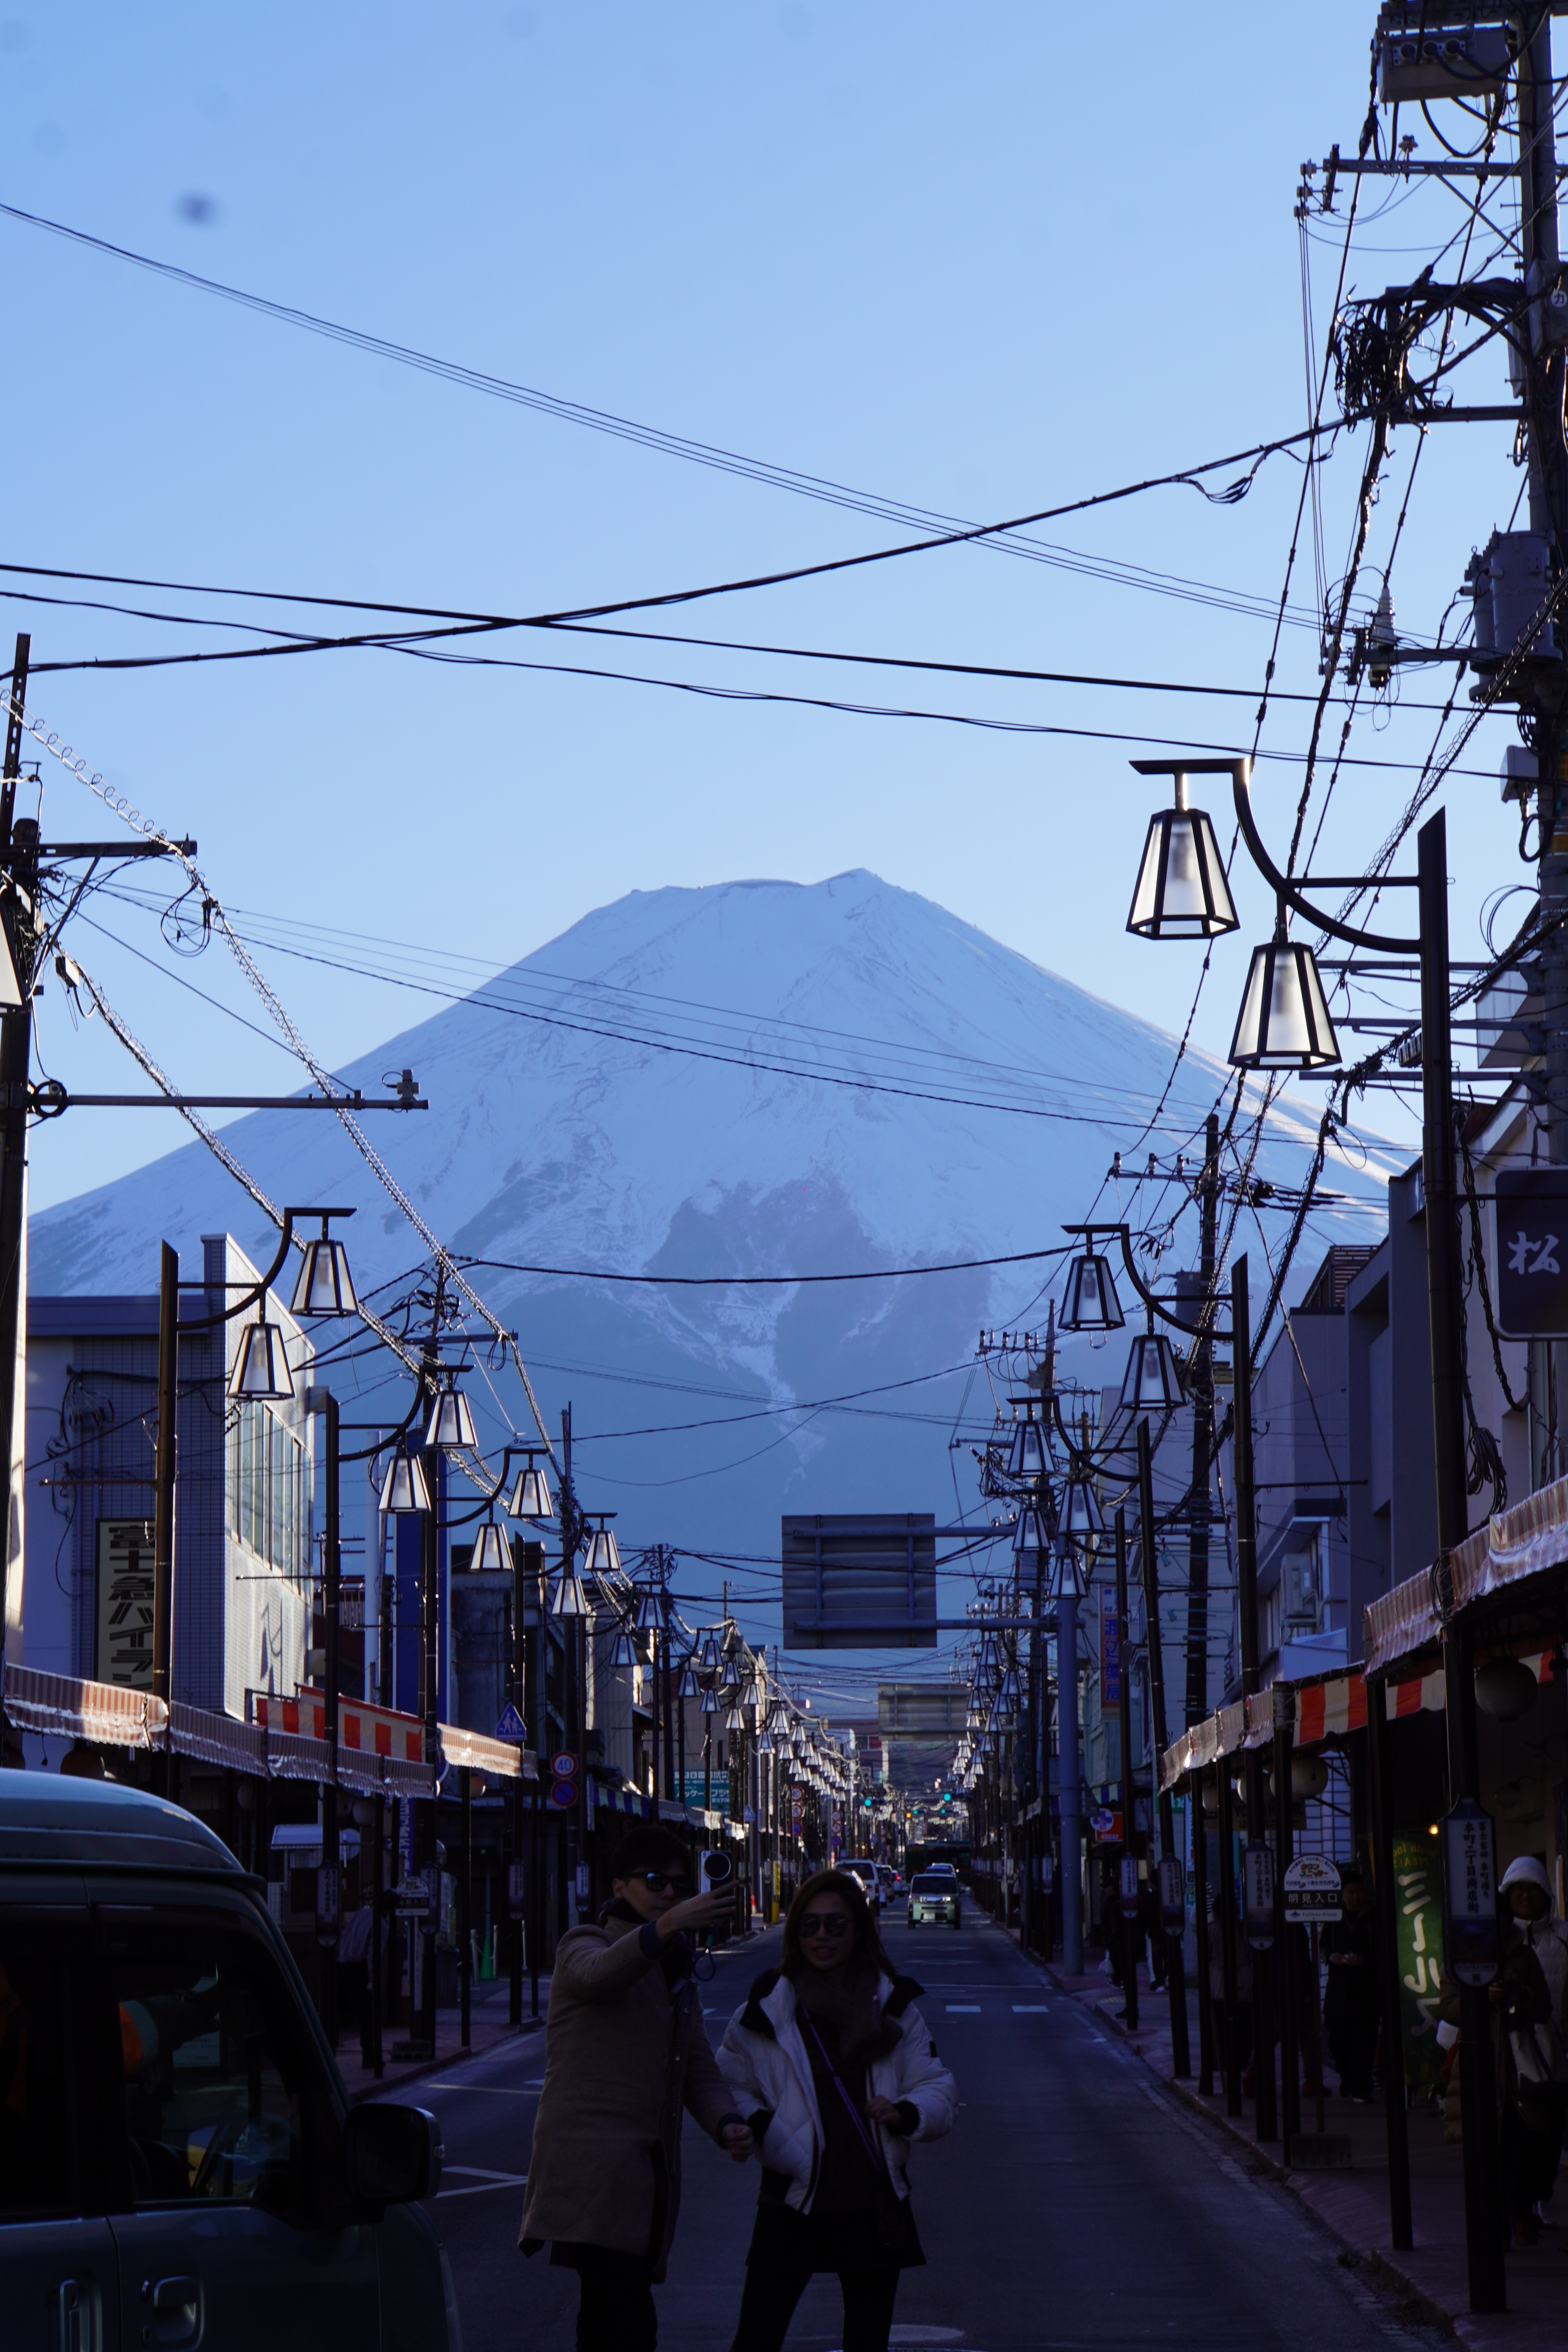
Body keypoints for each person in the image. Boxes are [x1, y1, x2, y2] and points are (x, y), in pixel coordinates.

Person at [519, 1827, 753, 2350]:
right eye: (655, 1882)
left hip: (645, 2175)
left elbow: (696, 2067)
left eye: (677, 1884)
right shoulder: (584, 1942)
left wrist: (727, 2123)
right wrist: (669, 1926)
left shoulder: (675, 1968)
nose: (669, 1893)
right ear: (620, 1886)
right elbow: (602, 1975)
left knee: (609, 2318)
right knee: (626, 2321)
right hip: (591, 2174)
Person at [719, 1866, 957, 2352]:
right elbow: (730, 2082)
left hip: (870, 2201)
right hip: (792, 2198)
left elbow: (935, 2084)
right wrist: (760, 2126)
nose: (821, 1937)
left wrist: (905, 2112)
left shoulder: (893, 2006)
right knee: (756, 2339)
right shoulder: (766, 2009)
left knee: (866, 2343)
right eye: (809, 1925)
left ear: (859, 1930)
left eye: (835, 1924)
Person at [1439, 1874, 1555, 2248]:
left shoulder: (1523, 1956)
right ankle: (1497, 2224)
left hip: (1520, 2067)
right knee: (1484, 2151)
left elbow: (1543, 2004)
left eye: (1503, 1926)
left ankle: (1521, 2217)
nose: (1499, 1933)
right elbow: (1449, 2009)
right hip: (1479, 2064)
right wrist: (1481, 1997)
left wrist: (1516, 1995)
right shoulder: (1461, 1955)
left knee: (1523, 2146)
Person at [1320, 1867, 1380, 2102]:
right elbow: (1323, 1946)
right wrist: (1331, 1957)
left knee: (1364, 2040)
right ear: (1343, 1894)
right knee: (1337, 2038)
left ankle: (1360, 2086)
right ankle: (1348, 2079)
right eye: (1351, 1892)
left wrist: (1364, 1959)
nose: (1356, 1896)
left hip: (1366, 1989)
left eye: (1359, 1891)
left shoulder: (1374, 1916)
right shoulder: (1333, 1917)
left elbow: (1384, 1950)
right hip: (1339, 1989)